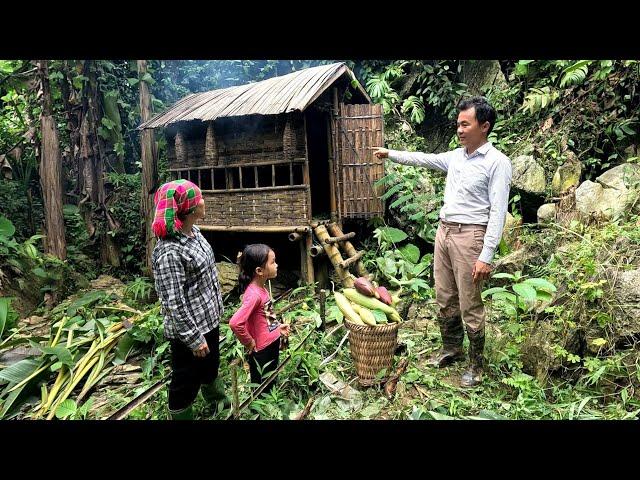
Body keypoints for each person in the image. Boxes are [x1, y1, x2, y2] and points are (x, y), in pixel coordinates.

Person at [373, 96, 512, 387]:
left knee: (469, 302)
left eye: (466, 124)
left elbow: (498, 211)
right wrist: (390, 154)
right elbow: (423, 158)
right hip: (444, 232)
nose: (459, 129)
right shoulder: (455, 156)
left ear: (484, 126)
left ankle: (476, 365)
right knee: (445, 296)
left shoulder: (498, 163)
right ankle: (451, 348)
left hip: (471, 235)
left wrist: (486, 255)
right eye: (458, 124)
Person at [151, 179, 228, 420]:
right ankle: (182, 415)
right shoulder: (169, 253)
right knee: (185, 381)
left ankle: (218, 402)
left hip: (208, 320)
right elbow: (173, 304)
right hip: (189, 332)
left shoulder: (194, 233)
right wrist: (194, 339)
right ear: (189, 209)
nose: (204, 201)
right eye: (199, 198)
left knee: (210, 365)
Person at [229, 244, 290, 394]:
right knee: (261, 387)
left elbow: (265, 316)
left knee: (271, 378)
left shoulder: (261, 289)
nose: (276, 265)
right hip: (262, 350)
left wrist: (277, 328)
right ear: (259, 271)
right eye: (273, 262)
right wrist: (249, 342)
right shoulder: (254, 295)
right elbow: (236, 323)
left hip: (271, 344)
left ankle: (270, 406)